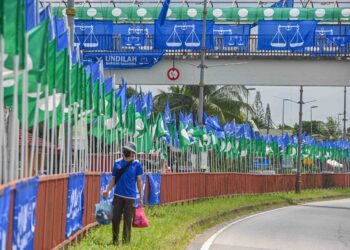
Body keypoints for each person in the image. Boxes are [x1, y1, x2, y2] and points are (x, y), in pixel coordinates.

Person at [102, 142, 143, 245]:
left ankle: (126, 243)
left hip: (130, 197)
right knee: (115, 219)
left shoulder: (137, 164)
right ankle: (115, 241)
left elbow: (139, 181)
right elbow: (114, 179)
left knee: (128, 221)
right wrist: (107, 190)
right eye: (125, 150)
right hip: (118, 195)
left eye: (128, 151)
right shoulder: (117, 163)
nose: (126, 152)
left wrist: (141, 196)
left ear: (132, 153)